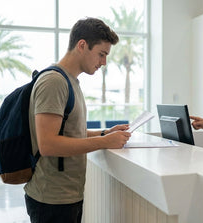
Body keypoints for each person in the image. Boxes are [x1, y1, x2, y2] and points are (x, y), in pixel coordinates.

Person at [24, 18, 131, 223]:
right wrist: (103, 142)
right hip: (51, 199)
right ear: (82, 45)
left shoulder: (70, 81)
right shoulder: (54, 82)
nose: (103, 62)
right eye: (102, 54)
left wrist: (104, 133)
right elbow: (48, 144)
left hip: (66, 196)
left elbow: (69, 132)